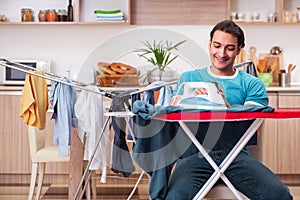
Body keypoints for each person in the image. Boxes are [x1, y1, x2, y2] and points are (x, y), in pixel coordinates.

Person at [164, 20, 293, 200]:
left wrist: (225, 107)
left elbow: (251, 127)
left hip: (235, 156)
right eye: (217, 46)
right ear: (209, 45)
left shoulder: (252, 84)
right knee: (175, 198)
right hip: (195, 156)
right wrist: (187, 99)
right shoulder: (188, 78)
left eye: (230, 48)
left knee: (279, 195)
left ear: (239, 49)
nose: (222, 53)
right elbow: (174, 119)